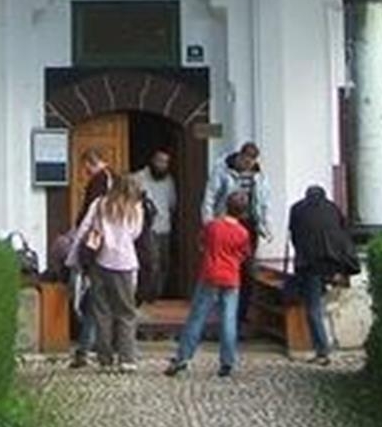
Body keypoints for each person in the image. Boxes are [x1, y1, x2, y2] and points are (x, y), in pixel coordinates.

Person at [165, 190, 252, 377]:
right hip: (231, 277)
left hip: (210, 274)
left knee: (197, 317)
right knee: (228, 320)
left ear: (226, 206)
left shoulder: (213, 226)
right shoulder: (243, 233)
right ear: (243, 212)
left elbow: (201, 244)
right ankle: (227, 362)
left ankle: (183, 357)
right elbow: (244, 254)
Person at [69, 174, 148, 370]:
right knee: (126, 313)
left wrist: (74, 258)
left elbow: (84, 228)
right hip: (125, 262)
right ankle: (127, 358)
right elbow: (135, 233)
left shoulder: (100, 204)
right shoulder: (135, 207)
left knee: (101, 312)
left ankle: (105, 359)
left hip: (101, 260)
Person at [286, 184, 364, 364]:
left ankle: (322, 350)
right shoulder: (333, 208)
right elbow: (343, 233)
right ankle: (330, 341)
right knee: (323, 305)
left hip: (310, 265)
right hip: (334, 264)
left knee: (313, 308)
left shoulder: (297, 209)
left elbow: (295, 235)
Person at [67, 153, 112, 367]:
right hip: (120, 256)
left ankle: (88, 349)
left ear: (90, 163)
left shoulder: (99, 184)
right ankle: (109, 350)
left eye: (85, 168)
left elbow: (87, 221)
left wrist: (78, 251)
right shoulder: (115, 179)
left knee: (94, 302)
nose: (84, 173)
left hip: (98, 250)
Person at [133, 144, 178, 301]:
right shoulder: (138, 178)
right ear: (152, 160)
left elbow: (172, 204)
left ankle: (156, 296)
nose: (162, 165)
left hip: (165, 227)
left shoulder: (169, 181)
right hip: (146, 228)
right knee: (152, 263)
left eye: (165, 162)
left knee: (164, 264)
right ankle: (146, 297)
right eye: (159, 160)